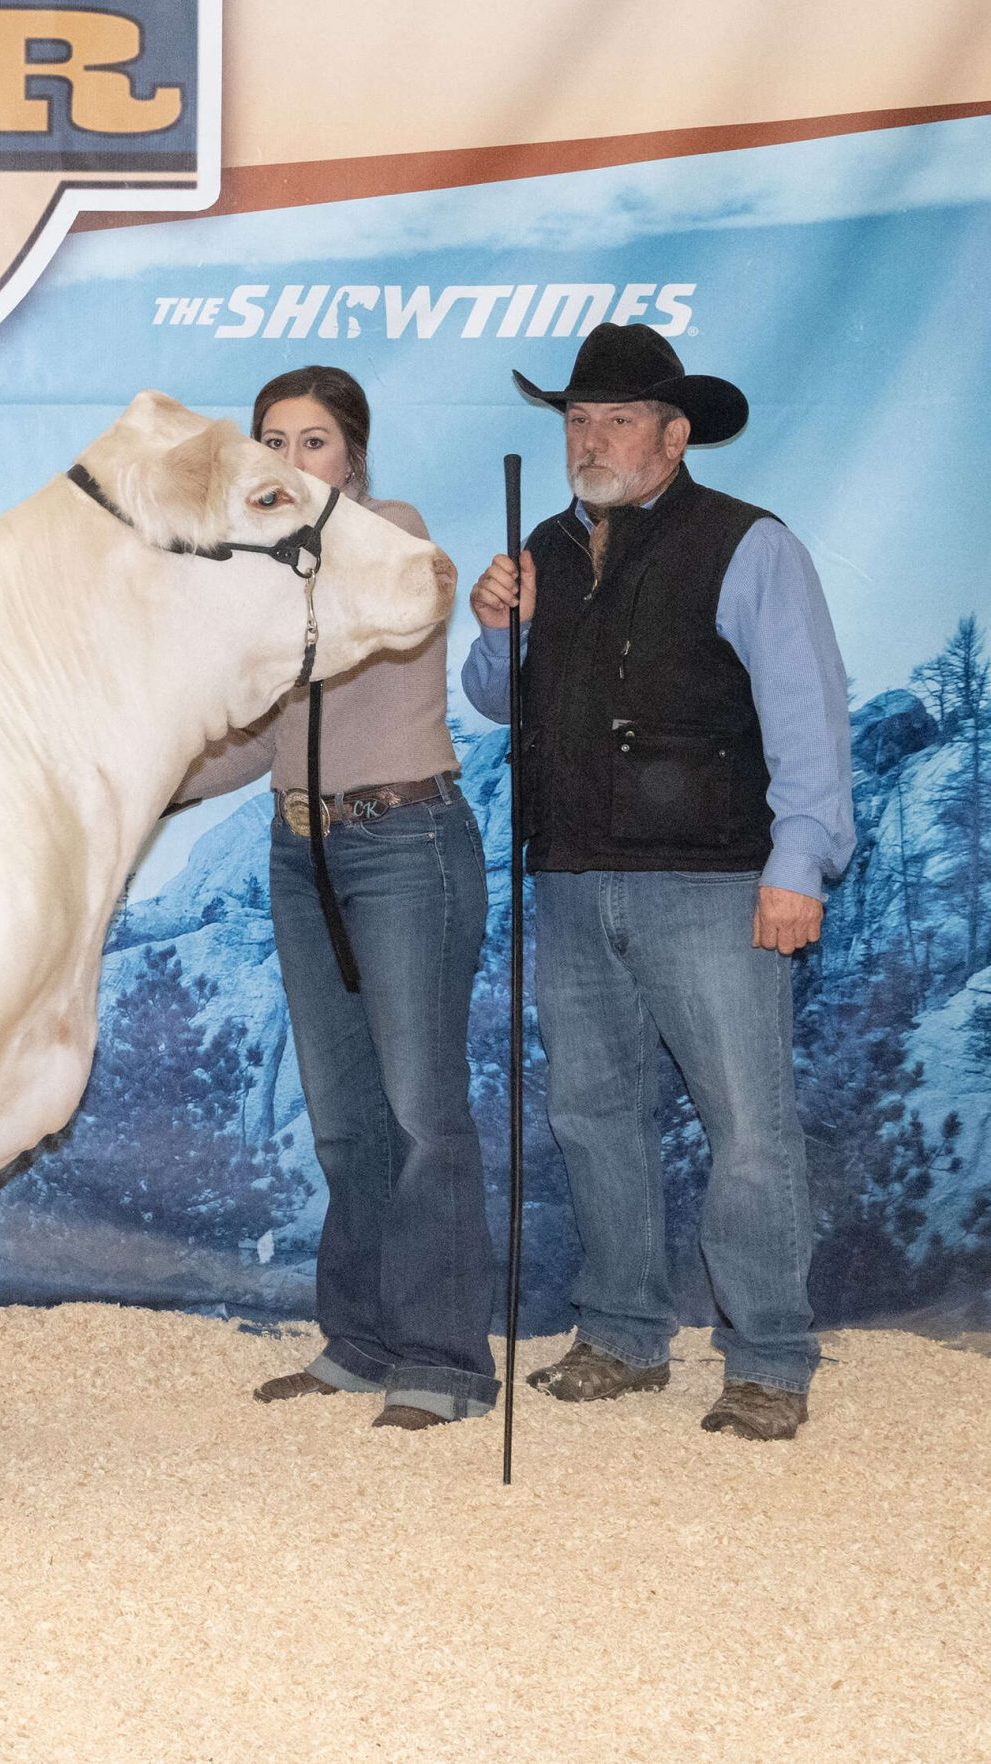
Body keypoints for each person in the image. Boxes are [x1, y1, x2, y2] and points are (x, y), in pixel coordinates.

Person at [463, 323, 854, 1442]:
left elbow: (805, 714)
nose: (590, 437)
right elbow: (502, 703)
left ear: (674, 436)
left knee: (748, 1129)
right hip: (573, 877)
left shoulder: (747, 544)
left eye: (616, 418)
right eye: (576, 419)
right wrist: (499, 630)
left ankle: (769, 1354)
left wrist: (798, 864)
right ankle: (623, 1332)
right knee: (592, 1118)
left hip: (714, 882)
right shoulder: (540, 545)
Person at [177, 366, 497, 1430]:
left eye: (311, 440)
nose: (288, 458)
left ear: (351, 456)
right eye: (269, 440)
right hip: (298, 847)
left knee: (420, 1117)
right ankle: (360, 1344)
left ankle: (445, 1364)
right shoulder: (267, 576)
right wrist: (140, 778)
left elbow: (364, 624)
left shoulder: (389, 538)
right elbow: (266, 733)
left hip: (404, 840)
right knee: (344, 1124)